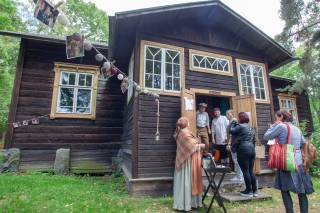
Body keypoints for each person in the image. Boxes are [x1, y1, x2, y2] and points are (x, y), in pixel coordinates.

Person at [263, 110, 314, 213]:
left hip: (285, 161)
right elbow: (303, 143)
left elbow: (266, 136)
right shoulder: (296, 128)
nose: (276, 119)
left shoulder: (281, 126)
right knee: (301, 191)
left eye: (276, 117)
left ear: (281, 117)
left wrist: (273, 126)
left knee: (285, 189)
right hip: (298, 162)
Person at [173, 117, 205, 211]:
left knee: (184, 182)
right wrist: (201, 145)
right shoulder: (185, 133)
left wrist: (197, 142)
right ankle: (187, 204)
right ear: (185, 123)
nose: (189, 122)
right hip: (187, 161)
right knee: (187, 181)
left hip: (184, 159)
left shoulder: (180, 132)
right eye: (187, 121)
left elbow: (191, 144)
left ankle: (183, 203)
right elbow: (191, 146)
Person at [230, 112, 257, 197]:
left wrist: (233, 122)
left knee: (245, 171)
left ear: (240, 118)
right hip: (252, 149)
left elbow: (231, 131)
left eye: (238, 117)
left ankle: (248, 191)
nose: (237, 118)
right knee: (250, 170)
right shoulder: (251, 128)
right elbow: (254, 140)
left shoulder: (240, 126)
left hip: (243, 149)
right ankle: (254, 191)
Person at [226, 110, 244, 182]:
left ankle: (239, 177)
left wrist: (229, 143)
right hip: (234, 143)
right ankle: (239, 176)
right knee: (236, 160)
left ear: (231, 115)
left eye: (227, 114)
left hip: (235, 143)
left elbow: (232, 133)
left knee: (236, 160)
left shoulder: (233, 121)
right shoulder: (232, 121)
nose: (226, 115)